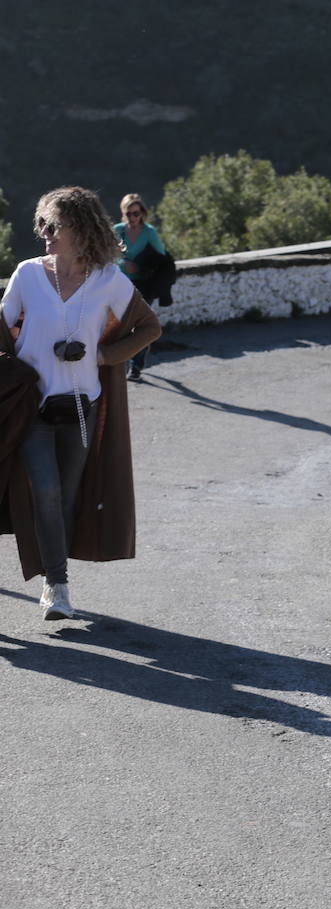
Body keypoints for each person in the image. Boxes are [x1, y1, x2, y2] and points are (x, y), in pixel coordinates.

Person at [0, 187, 162, 619]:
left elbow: (149, 327)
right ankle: (57, 586)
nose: (44, 233)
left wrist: (104, 356)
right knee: (46, 490)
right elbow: (1, 329)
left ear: (81, 228)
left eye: (53, 225)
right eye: (41, 224)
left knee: (67, 496)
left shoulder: (108, 279)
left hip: (81, 407)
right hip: (32, 406)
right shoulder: (27, 274)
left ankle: (54, 570)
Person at [113, 193, 169, 381]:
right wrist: (123, 264)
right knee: (122, 324)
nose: (132, 217)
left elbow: (161, 256)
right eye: (128, 213)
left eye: (136, 213)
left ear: (142, 213)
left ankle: (136, 366)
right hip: (122, 283)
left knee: (142, 325)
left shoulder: (149, 232)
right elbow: (108, 254)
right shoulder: (118, 231)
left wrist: (142, 265)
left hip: (145, 284)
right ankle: (120, 360)